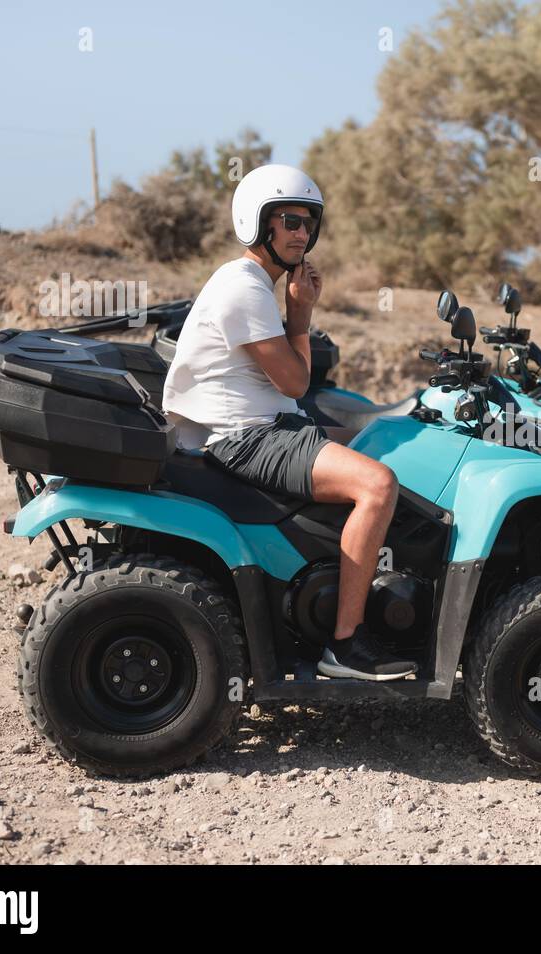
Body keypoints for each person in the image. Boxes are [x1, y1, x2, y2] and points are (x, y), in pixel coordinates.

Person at [162, 163, 417, 681]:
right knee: (378, 485)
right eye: (289, 221)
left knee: (383, 436)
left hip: (267, 425)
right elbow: (295, 384)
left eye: (308, 222)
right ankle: (345, 645)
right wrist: (299, 316)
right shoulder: (244, 287)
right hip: (244, 436)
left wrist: (297, 313)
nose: (302, 233)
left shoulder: (254, 283)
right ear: (259, 225)